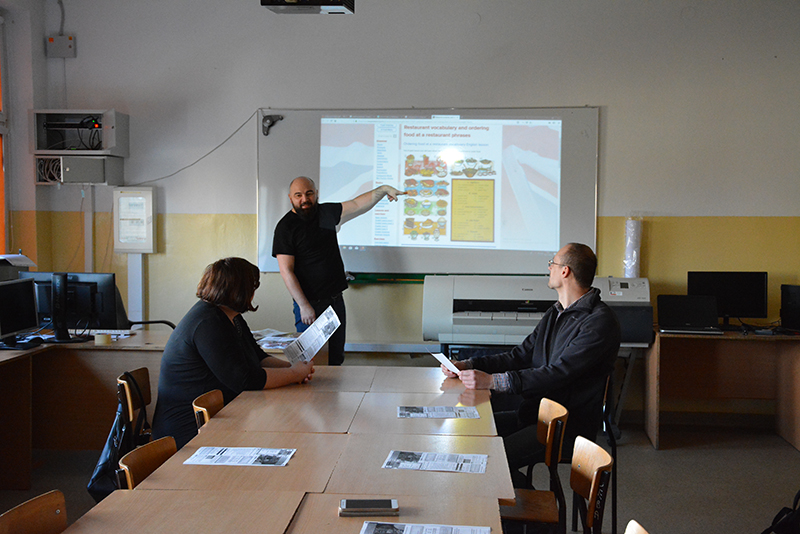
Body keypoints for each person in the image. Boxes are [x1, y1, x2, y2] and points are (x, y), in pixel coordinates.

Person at [441, 243, 621, 484]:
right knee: (466, 432)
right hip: (535, 415)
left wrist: (492, 381)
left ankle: (526, 505)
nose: (549, 268)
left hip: (565, 427)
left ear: (565, 271)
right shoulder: (555, 313)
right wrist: (469, 364)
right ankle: (517, 495)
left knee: (489, 459)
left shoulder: (598, 322)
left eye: (552, 264)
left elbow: (558, 373)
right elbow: (520, 356)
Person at [152, 257, 314, 449]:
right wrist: (294, 373)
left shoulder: (230, 317)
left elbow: (258, 358)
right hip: (187, 432)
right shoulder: (208, 323)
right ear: (241, 290)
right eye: (253, 287)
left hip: (217, 417)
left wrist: (294, 368)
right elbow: (246, 380)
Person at [272, 176, 404, 365]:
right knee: (311, 362)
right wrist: (303, 305)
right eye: (298, 195)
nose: (305, 199)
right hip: (310, 306)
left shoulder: (325, 212)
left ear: (316, 193)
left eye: (309, 193)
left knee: (335, 359)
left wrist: (383, 190)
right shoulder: (285, 227)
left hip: (335, 302)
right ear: (290, 197)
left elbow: (357, 204)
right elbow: (286, 271)